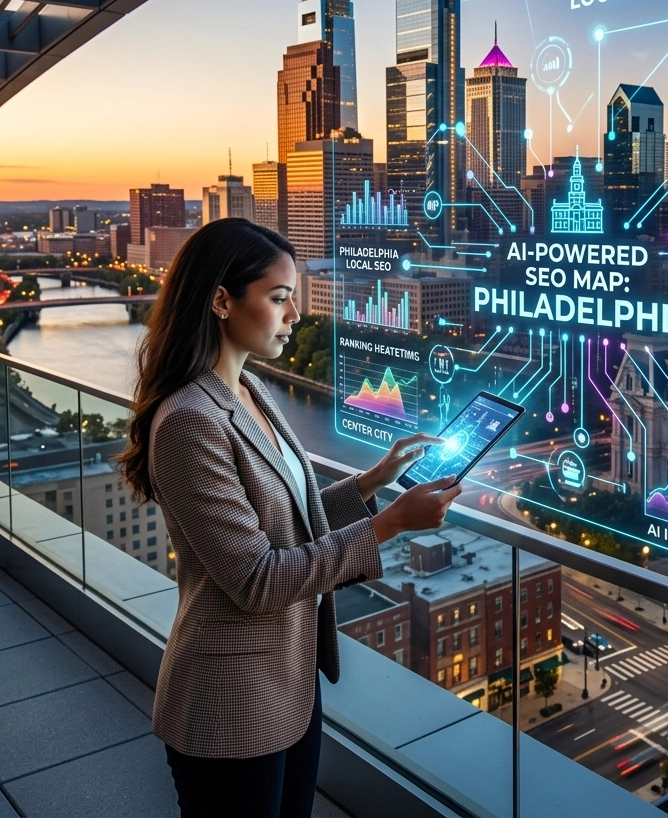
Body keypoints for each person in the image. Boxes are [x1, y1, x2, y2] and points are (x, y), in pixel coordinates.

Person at [119, 218, 460, 818]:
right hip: (230, 700)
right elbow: (258, 578)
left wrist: (374, 482)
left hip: (291, 685)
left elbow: (286, 526)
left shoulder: (250, 389)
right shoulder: (189, 420)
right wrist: (393, 524)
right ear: (221, 300)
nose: (295, 315)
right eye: (278, 299)